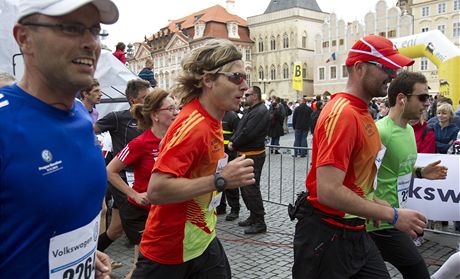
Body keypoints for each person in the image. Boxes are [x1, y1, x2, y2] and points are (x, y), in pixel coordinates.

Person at [0, 0, 119, 278]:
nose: (91, 42)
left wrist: (86, 256)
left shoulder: (79, 114)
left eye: (94, 30)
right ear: (24, 38)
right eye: (72, 28)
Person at [292, 35, 426, 279]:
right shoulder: (343, 114)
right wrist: (392, 215)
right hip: (327, 234)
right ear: (360, 68)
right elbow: (328, 190)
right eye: (386, 67)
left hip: (354, 231)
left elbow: (353, 181)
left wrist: (374, 203)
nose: (393, 75)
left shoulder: (361, 112)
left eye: (395, 68)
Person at [132, 39, 255, 278]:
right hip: (170, 251)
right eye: (236, 77)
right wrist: (220, 180)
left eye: (245, 77)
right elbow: (157, 190)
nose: (245, 86)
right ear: (208, 80)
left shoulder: (213, 118)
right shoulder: (194, 125)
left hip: (201, 241)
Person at [368, 71, 448, 279]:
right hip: (378, 223)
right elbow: (361, 177)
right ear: (402, 99)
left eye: (428, 97)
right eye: (422, 97)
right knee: (418, 272)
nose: (427, 103)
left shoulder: (409, 131)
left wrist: (420, 172)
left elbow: (396, 168)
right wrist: (379, 209)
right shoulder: (381, 132)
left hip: (396, 218)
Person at [106, 89, 177, 278]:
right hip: (143, 212)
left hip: (167, 212)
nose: (176, 112)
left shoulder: (176, 140)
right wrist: (134, 194)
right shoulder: (140, 143)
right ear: (155, 115)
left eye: (176, 107)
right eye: (170, 108)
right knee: (143, 266)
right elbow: (109, 171)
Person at [94, 79, 149, 253]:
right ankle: (135, 271)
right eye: (145, 98)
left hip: (141, 179)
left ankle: (92, 257)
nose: (149, 101)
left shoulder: (150, 119)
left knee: (115, 229)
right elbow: (88, 130)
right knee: (141, 232)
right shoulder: (118, 117)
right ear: (133, 100)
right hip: (122, 180)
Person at [228, 86, 270, 234]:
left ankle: (259, 221)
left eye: (248, 95)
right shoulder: (251, 110)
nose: (244, 97)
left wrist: (234, 144)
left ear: (256, 96)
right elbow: (240, 129)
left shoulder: (260, 111)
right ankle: (253, 216)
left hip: (254, 154)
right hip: (246, 153)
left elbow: (248, 133)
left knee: (251, 188)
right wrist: (233, 140)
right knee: (245, 188)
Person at [216, 110, 241, 219]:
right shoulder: (216, 114)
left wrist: (232, 144)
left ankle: (235, 209)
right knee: (218, 181)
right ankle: (220, 206)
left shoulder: (232, 116)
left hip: (229, 154)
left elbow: (238, 133)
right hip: (217, 154)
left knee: (230, 182)